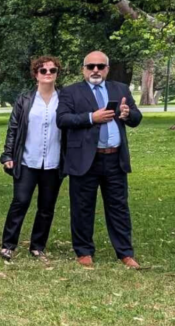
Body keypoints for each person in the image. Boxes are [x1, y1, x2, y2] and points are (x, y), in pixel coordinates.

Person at [57, 51, 142, 268]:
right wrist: (90, 118)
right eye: (91, 66)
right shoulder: (70, 92)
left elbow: (136, 117)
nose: (96, 70)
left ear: (107, 69)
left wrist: (127, 114)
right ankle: (84, 251)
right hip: (86, 159)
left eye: (100, 66)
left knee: (118, 207)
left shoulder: (120, 89)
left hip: (115, 158)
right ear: (83, 69)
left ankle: (125, 252)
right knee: (82, 207)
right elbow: (63, 119)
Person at [0, 56, 66, 261]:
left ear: (56, 74)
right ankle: (8, 245)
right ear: (35, 74)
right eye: (43, 71)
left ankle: (38, 246)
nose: (48, 74)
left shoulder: (64, 99)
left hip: (53, 162)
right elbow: (13, 128)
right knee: (20, 201)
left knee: (46, 207)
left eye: (52, 71)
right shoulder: (25, 99)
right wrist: (8, 154)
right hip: (27, 160)